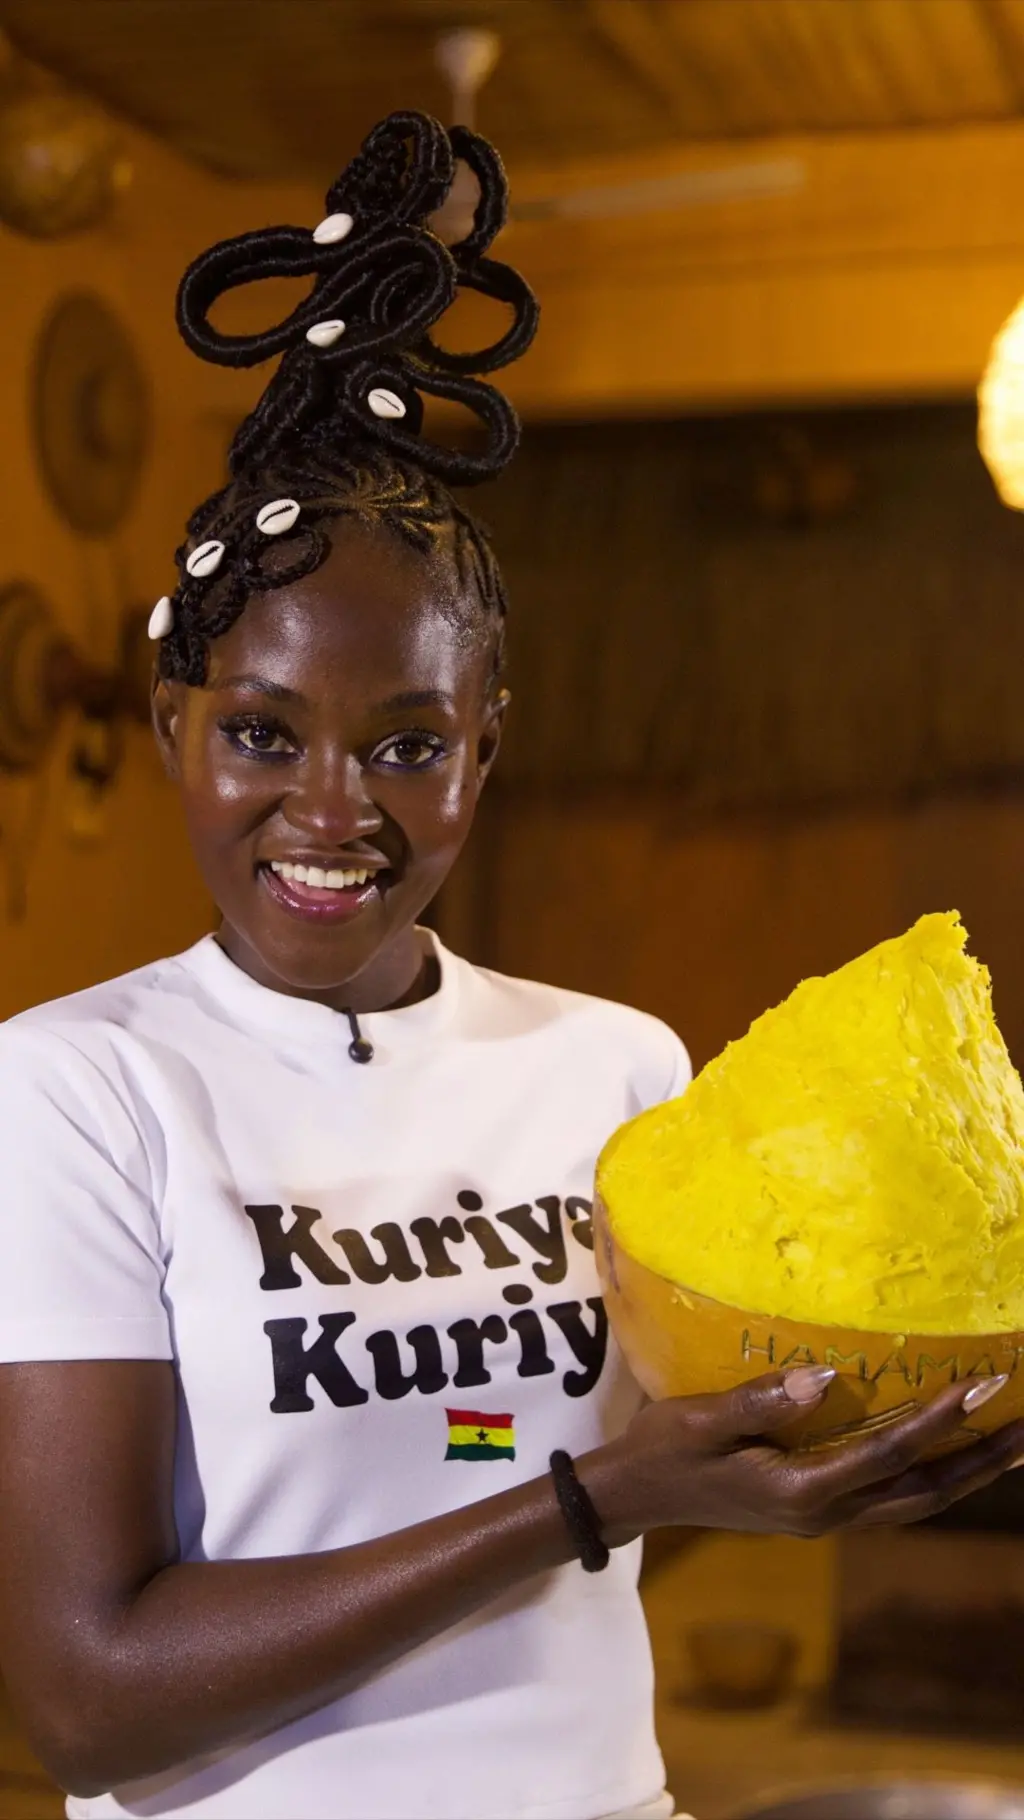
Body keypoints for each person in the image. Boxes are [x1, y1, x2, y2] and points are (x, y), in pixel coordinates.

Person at [0, 111, 1018, 1820]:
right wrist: (598, 1501)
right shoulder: (79, 1089)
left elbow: (704, 1456)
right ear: (176, 727)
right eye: (260, 732)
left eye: (408, 747)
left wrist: (857, 1443)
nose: (332, 811)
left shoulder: (617, 1068)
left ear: (486, 754)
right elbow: (92, 1700)